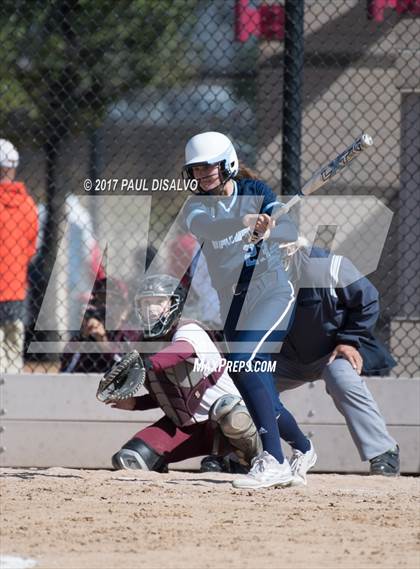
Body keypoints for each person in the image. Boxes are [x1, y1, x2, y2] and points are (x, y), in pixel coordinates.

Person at [181, 132, 315, 488]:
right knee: (255, 385)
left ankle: (273, 459)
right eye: (196, 168)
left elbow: (286, 226)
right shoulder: (194, 207)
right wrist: (242, 224)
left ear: (227, 164)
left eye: (209, 166)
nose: (203, 174)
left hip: (270, 290)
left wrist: (270, 227)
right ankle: (303, 447)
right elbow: (209, 227)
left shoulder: (256, 191)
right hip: (233, 301)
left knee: (243, 361)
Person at [105, 274, 261, 473]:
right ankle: (179, 461)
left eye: (159, 302)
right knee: (129, 459)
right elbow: (170, 394)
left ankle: (248, 459)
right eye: (146, 303)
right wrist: (135, 404)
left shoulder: (188, 329)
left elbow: (180, 352)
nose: (151, 309)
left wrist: (145, 365)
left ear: (174, 303)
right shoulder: (144, 344)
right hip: (186, 427)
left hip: (223, 425)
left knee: (234, 416)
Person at [272, 239, 400, 476]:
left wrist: (349, 340)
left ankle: (384, 451)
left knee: (343, 380)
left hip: (331, 352)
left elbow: (368, 298)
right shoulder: (255, 271)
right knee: (246, 383)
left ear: (290, 247)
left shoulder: (327, 266)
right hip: (286, 358)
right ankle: (237, 453)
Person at [0, 138, 38, 373]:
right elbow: (30, 249)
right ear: (13, 168)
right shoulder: (27, 204)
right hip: (16, 288)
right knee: (13, 349)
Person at [60, 276, 138, 373]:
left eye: (112, 302)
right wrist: (83, 337)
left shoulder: (131, 335)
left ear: (125, 310)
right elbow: (65, 370)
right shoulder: (88, 333)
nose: (105, 307)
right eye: (100, 301)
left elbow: (131, 372)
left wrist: (104, 343)